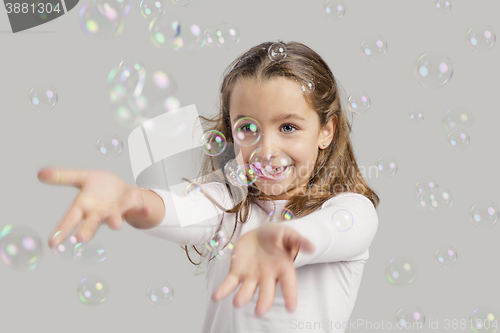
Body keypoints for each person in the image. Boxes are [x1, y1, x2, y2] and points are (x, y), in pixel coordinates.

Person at [38, 41, 380, 333]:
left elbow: (331, 231)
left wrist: (277, 239)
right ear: (230, 132)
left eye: (288, 127)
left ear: (326, 131)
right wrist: (130, 198)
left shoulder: (349, 209)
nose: (266, 149)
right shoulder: (227, 204)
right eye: (248, 128)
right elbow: (174, 209)